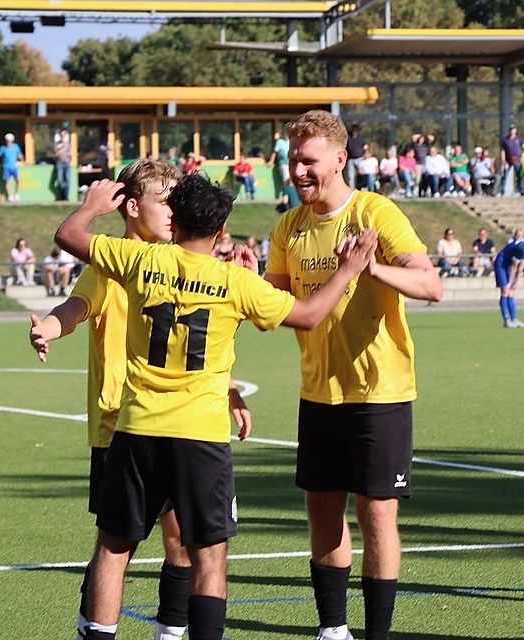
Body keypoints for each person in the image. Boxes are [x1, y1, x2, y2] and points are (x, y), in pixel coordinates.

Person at [54, 174, 376, 640]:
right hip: (200, 436)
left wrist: (91, 206)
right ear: (221, 227)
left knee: (114, 546)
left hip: (137, 427)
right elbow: (307, 316)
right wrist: (347, 270)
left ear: (175, 218)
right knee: (208, 554)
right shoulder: (234, 282)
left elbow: (67, 236)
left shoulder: (139, 258)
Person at [264, 109, 442, 640]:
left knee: (377, 512)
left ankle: (377, 633)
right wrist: (243, 276)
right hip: (318, 391)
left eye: (308, 160)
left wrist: (371, 267)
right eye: (292, 160)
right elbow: (276, 301)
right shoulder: (289, 226)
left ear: (340, 159)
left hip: (379, 390)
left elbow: (430, 284)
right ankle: (333, 628)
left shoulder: (375, 213)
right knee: (321, 508)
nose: (297, 171)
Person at [30, 159, 216, 640]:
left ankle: (171, 630)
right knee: (118, 543)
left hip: (174, 422)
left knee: (179, 537)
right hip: (118, 426)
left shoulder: (179, 264)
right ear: (132, 208)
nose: (174, 212)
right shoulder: (113, 263)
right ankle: (91, 627)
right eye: (163, 201)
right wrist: (49, 326)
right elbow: (75, 306)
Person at [493, 228, 524, 328]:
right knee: (505, 290)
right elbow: (514, 266)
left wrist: (515, 282)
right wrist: (510, 282)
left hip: (509, 266)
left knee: (511, 292)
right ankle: (507, 320)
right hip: (501, 265)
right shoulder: (517, 246)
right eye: (517, 234)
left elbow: (521, 266)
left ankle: (514, 319)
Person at [0, 133, 25, 202]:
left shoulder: (16, 146)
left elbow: (19, 155)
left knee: (18, 180)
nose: (8, 141)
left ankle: (16, 195)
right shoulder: (2, 148)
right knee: (7, 182)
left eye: (10, 140)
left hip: (14, 167)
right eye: (7, 140)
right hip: (6, 167)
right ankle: (10, 196)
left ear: (12, 140)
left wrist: (24, 160)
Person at [500, 123, 524, 196]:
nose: (512, 131)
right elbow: (503, 151)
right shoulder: (505, 140)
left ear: (515, 130)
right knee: (505, 175)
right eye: (511, 130)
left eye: (513, 129)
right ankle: (503, 191)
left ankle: (522, 190)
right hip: (508, 160)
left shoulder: (519, 139)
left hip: (517, 159)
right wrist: (503, 160)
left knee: (520, 175)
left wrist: (523, 154)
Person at [345, 124, 366, 189]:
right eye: (353, 130)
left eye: (356, 130)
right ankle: (352, 189)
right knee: (350, 176)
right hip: (351, 159)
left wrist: (365, 156)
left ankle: (361, 187)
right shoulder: (349, 138)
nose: (354, 131)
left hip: (360, 159)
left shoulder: (361, 138)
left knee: (361, 174)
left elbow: (365, 147)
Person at [55, 128, 72, 201]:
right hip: (59, 163)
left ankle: (66, 197)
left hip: (67, 163)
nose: (63, 136)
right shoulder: (57, 144)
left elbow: (70, 153)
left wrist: (63, 152)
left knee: (67, 180)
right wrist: (61, 148)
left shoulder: (69, 143)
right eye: (61, 134)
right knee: (60, 179)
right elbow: (56, 153)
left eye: (64, 134)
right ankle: (62, 196)